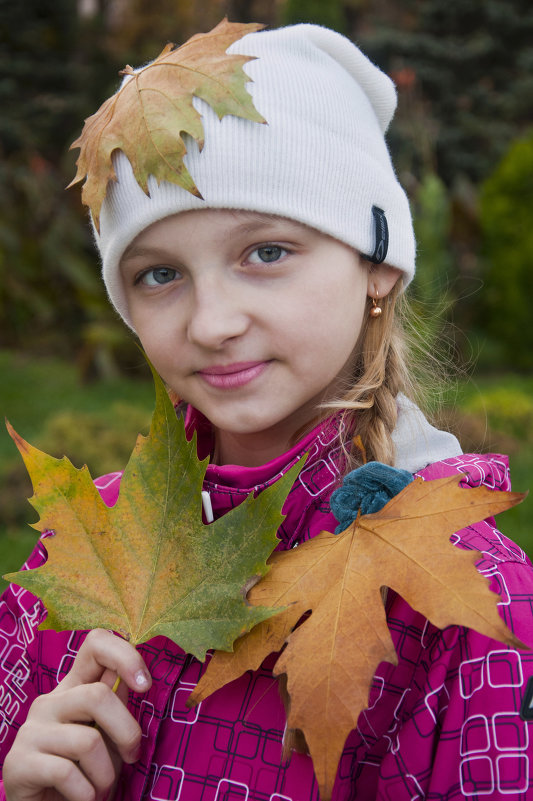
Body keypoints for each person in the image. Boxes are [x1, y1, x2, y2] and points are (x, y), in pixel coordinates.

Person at [1, 20, 532, 801]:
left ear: (378, 265)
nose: (212, 322)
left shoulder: (464, 598)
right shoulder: (84, 546)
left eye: (267, 252)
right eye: (158, 274)